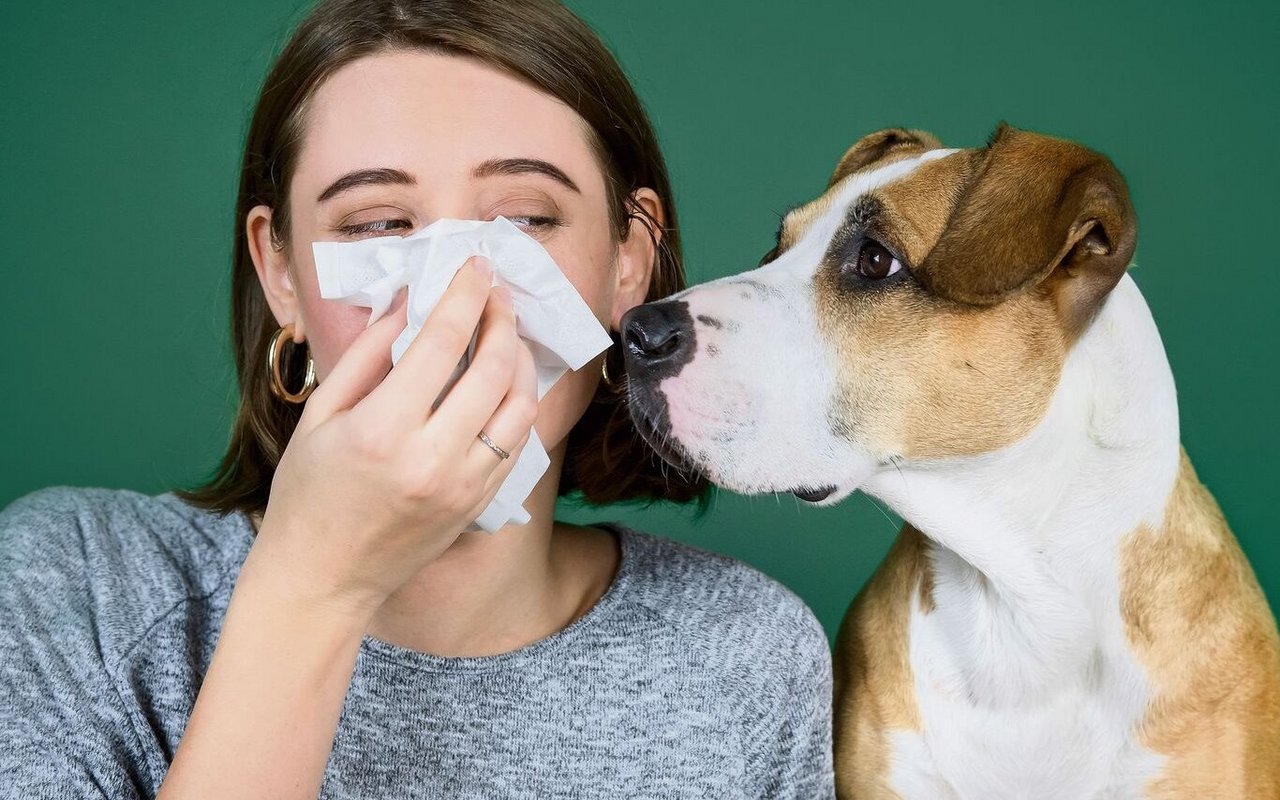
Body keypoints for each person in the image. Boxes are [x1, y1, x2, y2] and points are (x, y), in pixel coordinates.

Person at [0, 1, 834, 797]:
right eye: (376, 225)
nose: (456, 291)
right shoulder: (72, 590)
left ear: (628, 261)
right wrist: (313, 583)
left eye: (525, 216)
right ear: (281, 274)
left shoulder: (745, 654)